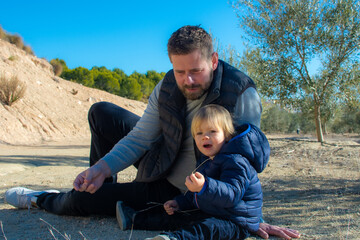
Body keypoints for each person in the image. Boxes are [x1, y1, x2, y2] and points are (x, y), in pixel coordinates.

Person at [5, 25, 300, 239]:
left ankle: (40, 198)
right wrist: (100, 167)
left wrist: (252, 217)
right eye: (180, 71)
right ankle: (101, 186)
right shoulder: (168, 86)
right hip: (162, 163)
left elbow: (245, 159)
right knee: (102, 112)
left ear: (213, 60)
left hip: (189, 191)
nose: (189, 80)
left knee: (79, 202)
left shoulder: (240, 92)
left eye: (196, 70)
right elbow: (140, 138)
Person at [116, 104, 270, 240]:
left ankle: (174, 238)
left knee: (207, 228)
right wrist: (180, 202)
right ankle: (134, 219)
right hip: (215, 211)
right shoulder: (207, 160)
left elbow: (232, 195)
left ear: (227, 134)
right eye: (199, 133)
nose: (205, 137)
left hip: (237, 221)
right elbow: (196, 194)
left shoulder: (236, 161)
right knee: (179, 216)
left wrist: (205, 186)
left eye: (212, 131)